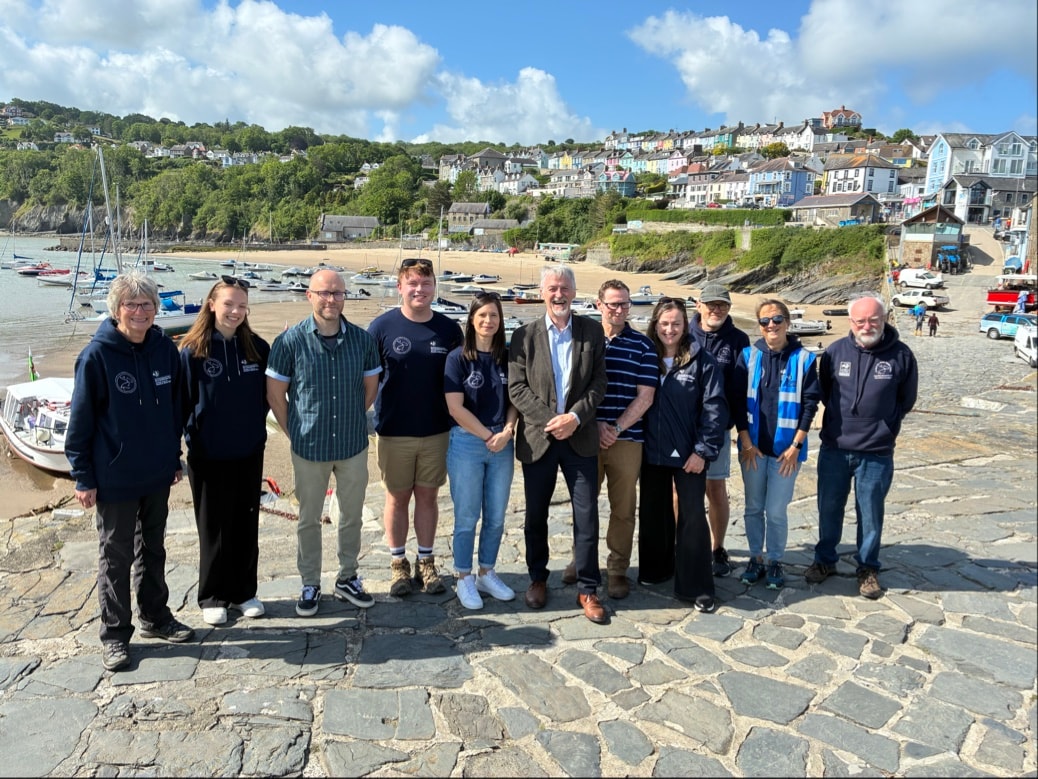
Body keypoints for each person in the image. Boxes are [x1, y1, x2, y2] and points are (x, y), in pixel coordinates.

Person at [66, 271, 195, 672]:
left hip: (156, 473)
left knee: (153, 550)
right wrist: (83, 476)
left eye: (147, 305)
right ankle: (115, 636)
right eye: (131, 305)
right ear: (116, 309)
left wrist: (174, 458)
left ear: (156, 309)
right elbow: (80, 422)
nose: (140, 312)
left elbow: (174, 412)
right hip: (114, 478)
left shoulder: (164, 351)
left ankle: (155, 617)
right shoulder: (96, 356)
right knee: (115, 557)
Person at [266, 269, 382, 616]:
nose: (331, 299)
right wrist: (296, 432)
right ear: (309, 296)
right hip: (309, 449)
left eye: (337, 293)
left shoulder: (363, 341)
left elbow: (370, 388)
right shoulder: (289, 342)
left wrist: (348, 418)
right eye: (324, 293)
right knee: (308, 518)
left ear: (345, 297)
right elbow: (276, 396)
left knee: (351, 517)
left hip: (352, 445)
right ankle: (309, 583)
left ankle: (348, 577)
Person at [508, 265, 609, 623]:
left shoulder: (592, 331)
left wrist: (576, 418)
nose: (559, 294)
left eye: (564, 288)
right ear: (542, 292)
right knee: (536, 516)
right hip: (539, 439)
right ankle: (537, 578)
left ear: (574, 292)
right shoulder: (523, 336)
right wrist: (552, 420)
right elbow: (516, 387)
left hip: (580, 439)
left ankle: (588, 588)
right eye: (552, 288)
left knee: (587, 517)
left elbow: (599, 383)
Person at [806, 293, 918, 599]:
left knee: (870, 513)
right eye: (860, 320)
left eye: (873, 319)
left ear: (884, 319)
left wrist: (884, 427)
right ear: (851, 322)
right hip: (835, 448)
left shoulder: (902, 356)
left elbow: (906, 400)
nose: (867, 325)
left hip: (877, 452)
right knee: (829, 507)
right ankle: (825, 560)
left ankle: (867, 568)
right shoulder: (834, 352)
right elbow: (827, 394)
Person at [179, 275, 270, 626]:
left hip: (248, 450)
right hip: (207, 453)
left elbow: (268, 397)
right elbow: (182, 404)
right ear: (212, 304)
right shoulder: (192, 350)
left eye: (241, 305)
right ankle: (213, 595)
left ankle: (243, 592)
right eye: (228, 304)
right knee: (213, 526)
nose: (235, 311)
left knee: (246, 522)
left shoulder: (258, 348)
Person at [369, 258, 463, 597]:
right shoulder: (381, 328)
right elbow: (367, 381)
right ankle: (398, 565)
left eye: (426, 284)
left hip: (437, 429)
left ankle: (426, 561)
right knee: (397, 498)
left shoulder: (450, 330)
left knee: (427, 496)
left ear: (434, 287)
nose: (419, 290)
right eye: (413, 284)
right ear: (400, 287)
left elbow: (461, 380)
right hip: (393, 430)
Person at [558, 280, 656, 599]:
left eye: (625, 304)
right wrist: (595, 424)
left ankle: (616, 569)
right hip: (585, 435)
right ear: (598, 305)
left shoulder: (642, 346)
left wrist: (614, 426)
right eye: (613, 304)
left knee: (624, 508)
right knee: (583, 504)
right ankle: (581, 560)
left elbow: (645, 397)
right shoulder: (582, 341)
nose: (619, 310)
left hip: (627, 439)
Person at [638, 297, 727, 612]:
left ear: (685, 324)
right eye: (663, 323)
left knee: (691, 517)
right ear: (655, 324)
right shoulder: (645, 354)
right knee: (652, 512)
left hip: (689, 453)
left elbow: (714, 409)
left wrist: (703, 450)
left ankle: (697, 586)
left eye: (676, 323)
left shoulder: (702, 361)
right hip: (650, 450)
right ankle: (655, 570)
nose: (669, 329)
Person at [733, 299, 821, 590]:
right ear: (759, 325)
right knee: (753, 507)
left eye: (778, 319)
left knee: (776, 510)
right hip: (753, 448)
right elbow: (736, 404)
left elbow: (810, 404)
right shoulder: (747, 356)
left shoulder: (805, 359)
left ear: (788, 323)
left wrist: (796, 445)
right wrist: (745, 441)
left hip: (787, 452)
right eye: (765, 321)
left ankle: (775, 560)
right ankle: (755, 557)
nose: (772, 325)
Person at [444, 292, 520, 609]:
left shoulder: (509, 356)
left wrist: (507, 431)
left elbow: (516, 399)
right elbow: (455, 407)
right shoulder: (458, 358)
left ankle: (486, 572)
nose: (488, 321)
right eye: (482, 315)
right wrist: (488, 435)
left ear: (501, 321)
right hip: (466, 443)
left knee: (496, 517)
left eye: (494, 316)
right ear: (472, 320)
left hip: (502, 444)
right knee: (466, 517)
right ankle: (463, 577)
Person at [688, 283, 750, 577]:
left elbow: (740, 391)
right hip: (682, 427)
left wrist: (742, 431)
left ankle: (717, 547)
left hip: (718, 429)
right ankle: (684, 544)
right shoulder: (682, 334)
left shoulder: (738, 340)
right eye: (711, 304)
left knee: (715, 488)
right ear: (698, 305)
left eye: (722, 305)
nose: (716, 310)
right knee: (681, 491)